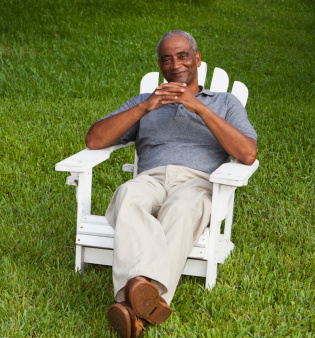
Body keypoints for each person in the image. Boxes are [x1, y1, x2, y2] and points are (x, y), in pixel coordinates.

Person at [85, 30, 258, 337]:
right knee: (127, 195)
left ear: (197, 59)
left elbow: (246, 153)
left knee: (181, 207)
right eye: (166, 59)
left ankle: (129, 305)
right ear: (160, 66)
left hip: (197, 182)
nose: (175, 64)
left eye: (182, 56)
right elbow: (95, 139)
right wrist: (143, 108)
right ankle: (145, 300)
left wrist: (199, 108)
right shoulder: (143, 102)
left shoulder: (224, 101)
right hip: (150, 179)